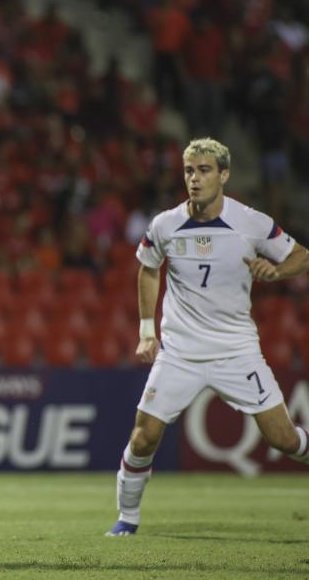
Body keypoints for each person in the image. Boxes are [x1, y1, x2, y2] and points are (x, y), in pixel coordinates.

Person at [107, 138, 309, 537]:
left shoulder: (251, 222)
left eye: (204, 171)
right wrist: (147, 332)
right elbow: (148, 268)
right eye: (189, 171)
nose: (195, 179)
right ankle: (126, 520)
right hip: (180, 351)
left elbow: (301, 256)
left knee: (283, 438)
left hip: (236, 350)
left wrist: (277, 272)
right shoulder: (165, 224)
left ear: (224, 175)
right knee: (144, 435)